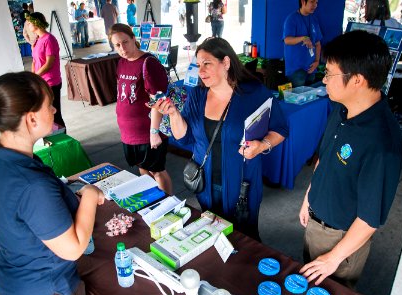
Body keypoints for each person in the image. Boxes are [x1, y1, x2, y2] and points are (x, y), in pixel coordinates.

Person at [0, 71, 105, 295]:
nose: (53, 110)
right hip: (45, 287)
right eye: (49, 105)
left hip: (11, 272)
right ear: (31, 119)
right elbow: (73, 248)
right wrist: (89, 193)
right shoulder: (32, 185)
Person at [298, 30, 402, 289]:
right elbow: (325, 158)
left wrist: (333, 259)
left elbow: (370, 219)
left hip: (340, 240)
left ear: (357, 80)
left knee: (331, 292)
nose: (324, 80)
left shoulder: (383, 143)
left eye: (329, 74)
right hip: (315, 221)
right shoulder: (341, 108)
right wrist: (309, 197)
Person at [153, 38, 288, 240]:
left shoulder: (253, 93)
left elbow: (280, 128)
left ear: (225, 62)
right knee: (211, 234)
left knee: (244, 238)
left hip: (242, 184)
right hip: (205, 184)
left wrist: (262, 146)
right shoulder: (198, 95)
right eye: (198, 65)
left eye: (207, 63)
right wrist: (174, 114)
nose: (201, 71)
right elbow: (185, 138)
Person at [109, 23, 173, 195]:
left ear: (133, 39)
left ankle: (169, 203)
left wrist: (154, 131)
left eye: (125, 42)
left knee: (157, 170)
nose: (122, 48)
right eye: (117, 45)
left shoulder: (148, 63)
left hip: (148, 131)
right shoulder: (121, 62)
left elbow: (159, 100)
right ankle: (154, 200)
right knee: (143, 170)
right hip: (129, 132)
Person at [28, 12, 66, 128]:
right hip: (41, 82)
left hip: (51, 83)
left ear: (36, 23)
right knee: (46, 114)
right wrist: (33, 76)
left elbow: (49, 64)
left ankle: (63, 138)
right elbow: (34, 61)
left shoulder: (49, 39)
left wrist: (35, 76)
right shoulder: (37, 40)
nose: (28, 26)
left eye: (29, 23)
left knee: (55, 113)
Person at [283, 0, 322, 87]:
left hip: (311, 67)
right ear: (303, 2)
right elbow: (287, 40)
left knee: (310, 97)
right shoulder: (292, 19)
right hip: (296, 69)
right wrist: (303, 38)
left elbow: (318, 43)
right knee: (297, 97)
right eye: (312, 2)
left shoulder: (314, 19)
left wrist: (317, 61)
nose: (315, 5)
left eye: (316, 3)